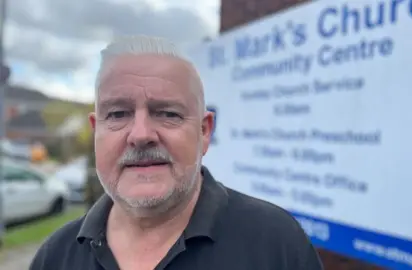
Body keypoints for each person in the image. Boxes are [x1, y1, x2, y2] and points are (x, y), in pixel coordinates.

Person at [29, 35, 323, 270]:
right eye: (118, 114)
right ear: (97, 131)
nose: (141, 135)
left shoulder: (276, 245)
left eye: (168, 113)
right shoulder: (54, 257)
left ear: (204, 132)